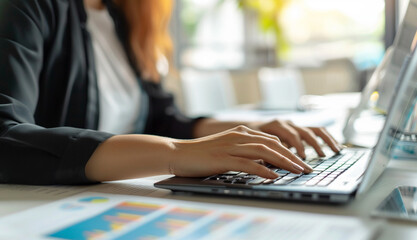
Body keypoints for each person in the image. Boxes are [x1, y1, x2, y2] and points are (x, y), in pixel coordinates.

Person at [0, 0, 341, 185]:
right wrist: (173, 153)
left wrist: (250, 133)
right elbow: (6, 136)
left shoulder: (123, 18)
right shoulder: (26, 7)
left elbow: (163, 119)